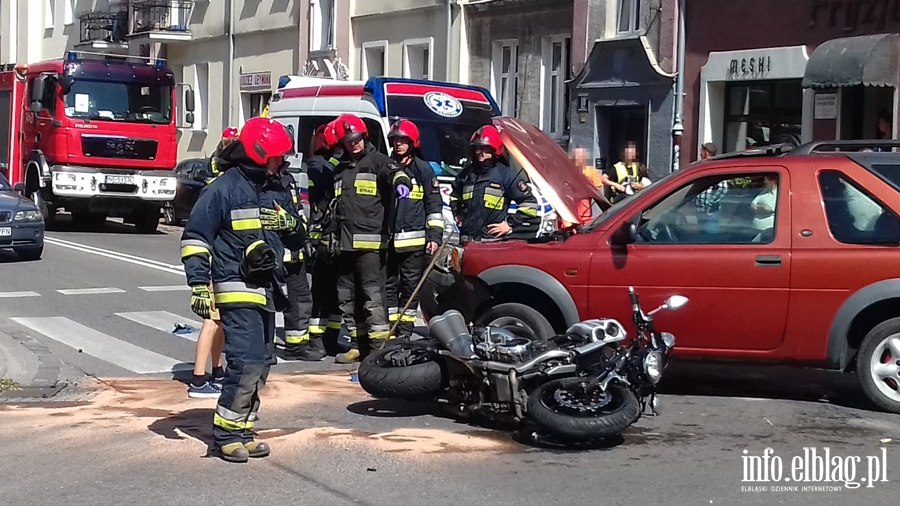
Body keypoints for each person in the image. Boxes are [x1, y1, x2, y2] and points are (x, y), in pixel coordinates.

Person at [181, 117, 304, 463]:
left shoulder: (276, 186)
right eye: (277, 156)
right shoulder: (223, 189)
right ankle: (226, 435)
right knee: (246, 362)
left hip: (268, 288)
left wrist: (290, 224)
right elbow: (195, 239)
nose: (282, 162)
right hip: (236, 286)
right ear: (259, 153)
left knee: (262, 363)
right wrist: (199, 286)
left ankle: (244, 429)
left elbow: (300, 234)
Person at [329, 114, 412, 363]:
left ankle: (378, 351)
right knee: (347, 298)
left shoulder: (378, 161)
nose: (354, 144)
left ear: (365, 137)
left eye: (357, 139)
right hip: (343, 244)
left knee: (372, 298)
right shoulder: (340, 169)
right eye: (349, 141)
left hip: (371, 245)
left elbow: (396, 174)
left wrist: (401, 183)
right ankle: (357, 345)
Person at [183, 127, 240, 398]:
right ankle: (198, 379)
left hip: (218, 263)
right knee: (212, 321)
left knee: (219, 321)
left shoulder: (217, 182)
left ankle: (217, 370)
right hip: (215, 265)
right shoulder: (219, 186)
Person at [385, 119, 444, 338]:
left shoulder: (423, 170)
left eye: (403, 140)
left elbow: (434, 206)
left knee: (410, 289)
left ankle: (405, 331)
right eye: (395, 140)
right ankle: (390, 329)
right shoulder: (385, 165)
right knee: (388, 288)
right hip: (388, 241)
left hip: (414, 242)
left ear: (413, 142)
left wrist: (434, 236)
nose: (398, 144)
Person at [450, 125, 540, 242]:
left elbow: (529, 203)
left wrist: (509, 224)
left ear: (494, 149)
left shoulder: (505, 175)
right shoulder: (466, 175)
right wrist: (457, 213)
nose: (478, 152)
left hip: (492, 244)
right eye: (476, 148)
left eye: (483, 148)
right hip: (467, 242)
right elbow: (454, 196)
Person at [306, 121, 347, 356]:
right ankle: (315, 341)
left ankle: (331, 339)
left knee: (336, 294)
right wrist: (339, 158)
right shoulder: (317, 163)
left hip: (338, 236)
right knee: (320, 293)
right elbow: (329, 177)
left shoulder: (332, 162)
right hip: (321, 236)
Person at [278, 160, 320, 361]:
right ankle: (262, 348)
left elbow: (299, 213)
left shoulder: (288, 179)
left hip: (295, 251)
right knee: (265, 301)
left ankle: (296, 346)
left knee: (301, 298)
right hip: (273, 253)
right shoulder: (262, 180)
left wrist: (304, 238)